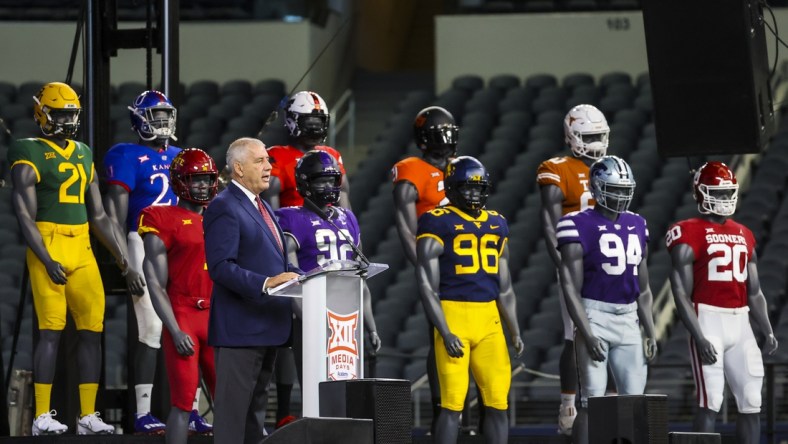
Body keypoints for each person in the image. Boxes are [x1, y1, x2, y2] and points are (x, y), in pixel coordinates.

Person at [7, 81, 144, 435]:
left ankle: (87, 415)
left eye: (71, 114)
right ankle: (41, 416)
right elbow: (24, 214)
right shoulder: (27, 149)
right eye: (60, 113)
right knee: (50, 331)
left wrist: (122, 260)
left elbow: (99, 215)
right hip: (49, 242)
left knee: (92, 330)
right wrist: (45, 256)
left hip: (82, 244)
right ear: (42, 113)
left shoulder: (83, 152)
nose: (67, 120)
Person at [103, 90, 207, 435]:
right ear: (138, 119)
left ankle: (191, 409)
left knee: (187, 325)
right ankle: (143, 412)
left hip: (183, 244)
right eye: (155, 117)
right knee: (151, 328)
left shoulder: (181, 155)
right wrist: (125, 263)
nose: (162, 124)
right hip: (144, 240)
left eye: (166, 116)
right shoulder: (125, 155)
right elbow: (115, 219)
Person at [666, 161, 778, 444]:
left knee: (752, 400)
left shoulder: (744, 233)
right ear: (700, 194)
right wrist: (699, 336)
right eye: (718, 192)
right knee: (711, 399)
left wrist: (766, 328)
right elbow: (680, 292)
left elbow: (754, 292)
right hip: (708, 319)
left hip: (740, 321)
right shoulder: (686, 231)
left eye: (729, 192)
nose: (725, 199)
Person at [415, 156, 524, 444]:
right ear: (451, 187)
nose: (475, 194)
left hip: (489, 319)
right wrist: (444, 329)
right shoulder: (437, 220)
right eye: (468, 187)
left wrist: (514, 329)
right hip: (453, 315)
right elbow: (426, 284)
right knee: (452, 405)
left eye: (480, 188)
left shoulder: (498, 222)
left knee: (498, 402)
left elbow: (506, 286)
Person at [203, 137, 300, 444]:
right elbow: (220, 267)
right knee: (233, 422)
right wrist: (264, 282)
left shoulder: (263, 207)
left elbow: (275, 260)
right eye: (260, 161)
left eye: (268, 161)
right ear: (238, 168)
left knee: (254, 419)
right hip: (240, 330)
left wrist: (305, 277)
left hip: (268, 327)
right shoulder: (223, 206)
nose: (269, 167)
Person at [556, 155, 657, 444]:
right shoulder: (575, 223)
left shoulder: (637, 223)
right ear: (598, 188)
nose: (622, 196)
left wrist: (649, 330)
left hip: (628, 316)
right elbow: (570, 288)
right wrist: (586, 333)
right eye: (615, 189)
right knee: (591, 400)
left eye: (626, 190)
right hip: (594, 313)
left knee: (635, 401)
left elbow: (645, 288)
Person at [536, 103, 609, 435]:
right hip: (576, 261)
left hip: (607, 263)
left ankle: (609, 399)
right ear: (572, 137)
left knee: (608, 334)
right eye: (589, 135)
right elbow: (550, 223)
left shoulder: (611, 168)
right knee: (574, 334)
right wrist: (563, 266)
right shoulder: (557, 168)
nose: (596, 142)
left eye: (599, 135)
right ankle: (568, 403)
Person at [139, 148, 220, 444]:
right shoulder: (160, 217)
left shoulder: (220, 216)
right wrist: (173, 329)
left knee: (229, 401)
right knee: (184, 401)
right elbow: (155, 283)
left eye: (206, 179)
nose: (202, 185)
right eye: (195, 179)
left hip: (216, 315)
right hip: (183, 313)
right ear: (180, 181)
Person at [275, 150, 382, 375]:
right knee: (315, 387)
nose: (328, 186)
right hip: (312, 312)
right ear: (304, 183)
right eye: (320, 181)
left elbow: (360, 277)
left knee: (347, 386)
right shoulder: (290, 218)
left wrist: (370, 325)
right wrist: (313, 324)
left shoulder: (348, 217)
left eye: (331, 180)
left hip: (347, 315)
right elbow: (294, 284)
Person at [392, 106, 458, 433]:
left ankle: (463, 414)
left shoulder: (461, 168)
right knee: (441, 336)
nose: (445, 140)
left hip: (466, 260)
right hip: (436, 260)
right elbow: (405, 226)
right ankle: (440, 411)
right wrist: (421, 265)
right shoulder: (411, 170)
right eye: (438, 133)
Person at [262, 90, 350, 209]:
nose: (315, 129)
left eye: (319, 123)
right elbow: (271, 213)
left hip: (329, 225)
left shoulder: (331, 154)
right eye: (309, 123)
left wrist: (349, 227)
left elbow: (344, 207)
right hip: (292, 225)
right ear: (291, 120)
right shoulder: (276, 155)